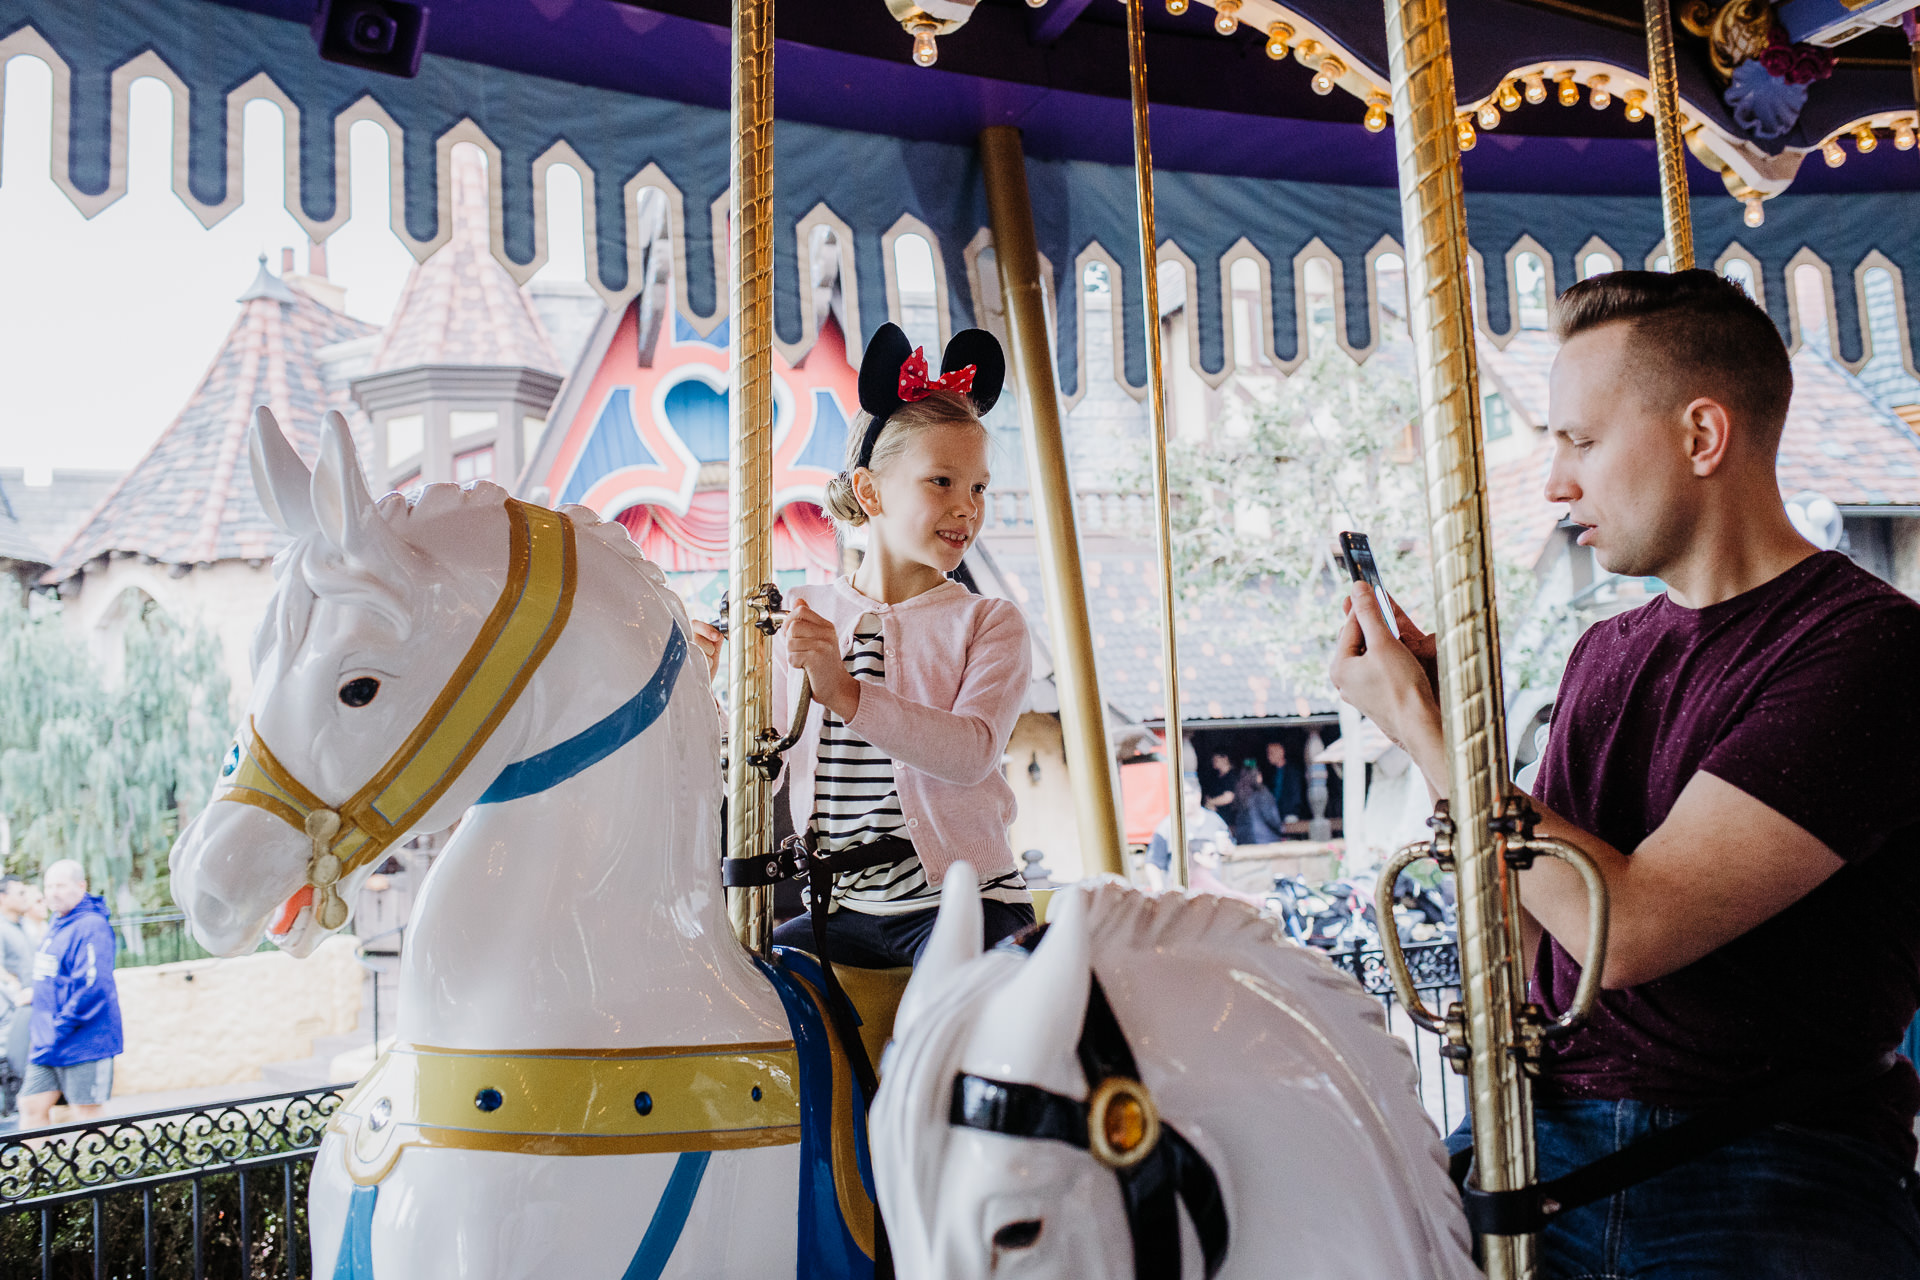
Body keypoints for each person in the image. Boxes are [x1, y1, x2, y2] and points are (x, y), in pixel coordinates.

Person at [1330, 269, 1920, 1278]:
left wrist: (1435, 740)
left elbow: (1634, 926)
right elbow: (1528, 938)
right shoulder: (1605, 652)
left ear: (1702, 436)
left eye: (1582, 441)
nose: (1558, 481)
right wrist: (1445, 759)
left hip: (1758, 1154)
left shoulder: (1865, 648)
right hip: (1551, 1130)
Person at [690, 323, 1034, 968]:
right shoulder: (801, 616)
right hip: (842, 908)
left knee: (959, 1006)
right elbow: (751, 763)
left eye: (979, 487)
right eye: (941, 482)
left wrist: (846, 693)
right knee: (743, 987)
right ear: (870, 491)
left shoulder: (989, 623)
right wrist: (701, 693)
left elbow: (971, 752)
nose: (967, 508)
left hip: (962, 899)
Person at [21, 861, 123, 1127]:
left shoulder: (91, 925)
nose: (53, 892)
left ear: (81, 886)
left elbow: (93, 985)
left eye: (61, 885)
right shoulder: (58, 922)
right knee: (31, 1104)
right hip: (49, 1040)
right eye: (49, 886)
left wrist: (61, 1024)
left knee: (87, 1113)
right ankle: (35, 1169)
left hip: (83, 1039)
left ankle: (98, 1167)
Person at [1144, 773, 1232, 890]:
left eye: (1185, 794)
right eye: (1177, 794)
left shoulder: (1215, 820)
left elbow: (1230, 846)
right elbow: (1153, 861)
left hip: (1213, 892)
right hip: (1181, 896)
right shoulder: (1167, 825)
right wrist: (1158, 889)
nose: (1181, 798)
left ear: (1197, 795)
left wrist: (1228, 848)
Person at [0, 876, 33, 1119]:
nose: (25, 898)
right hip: (10, 1014)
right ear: (3, 897)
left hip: (30, 1012)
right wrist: (17, 994)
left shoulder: (25, 926)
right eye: (19, 893)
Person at [1267, 741, 1305, 833]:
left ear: (1281, 751)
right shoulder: (1271, 773)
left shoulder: (1292, 771)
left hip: (1290, 815)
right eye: (1268, 753)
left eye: (1271, 752)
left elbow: (1296, 796)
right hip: (1276, 815)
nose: (1269, 756)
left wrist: (1290, 812)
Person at [1200, 751, 1242, 836]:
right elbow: (1208, 794)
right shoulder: (1214, 776)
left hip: (1230, 820)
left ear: (1225, 759)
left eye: (1216, 759)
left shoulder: (1232, 775)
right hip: (1217, 818)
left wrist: (1210, 802)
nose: (1213, 762)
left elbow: (1228, 797)